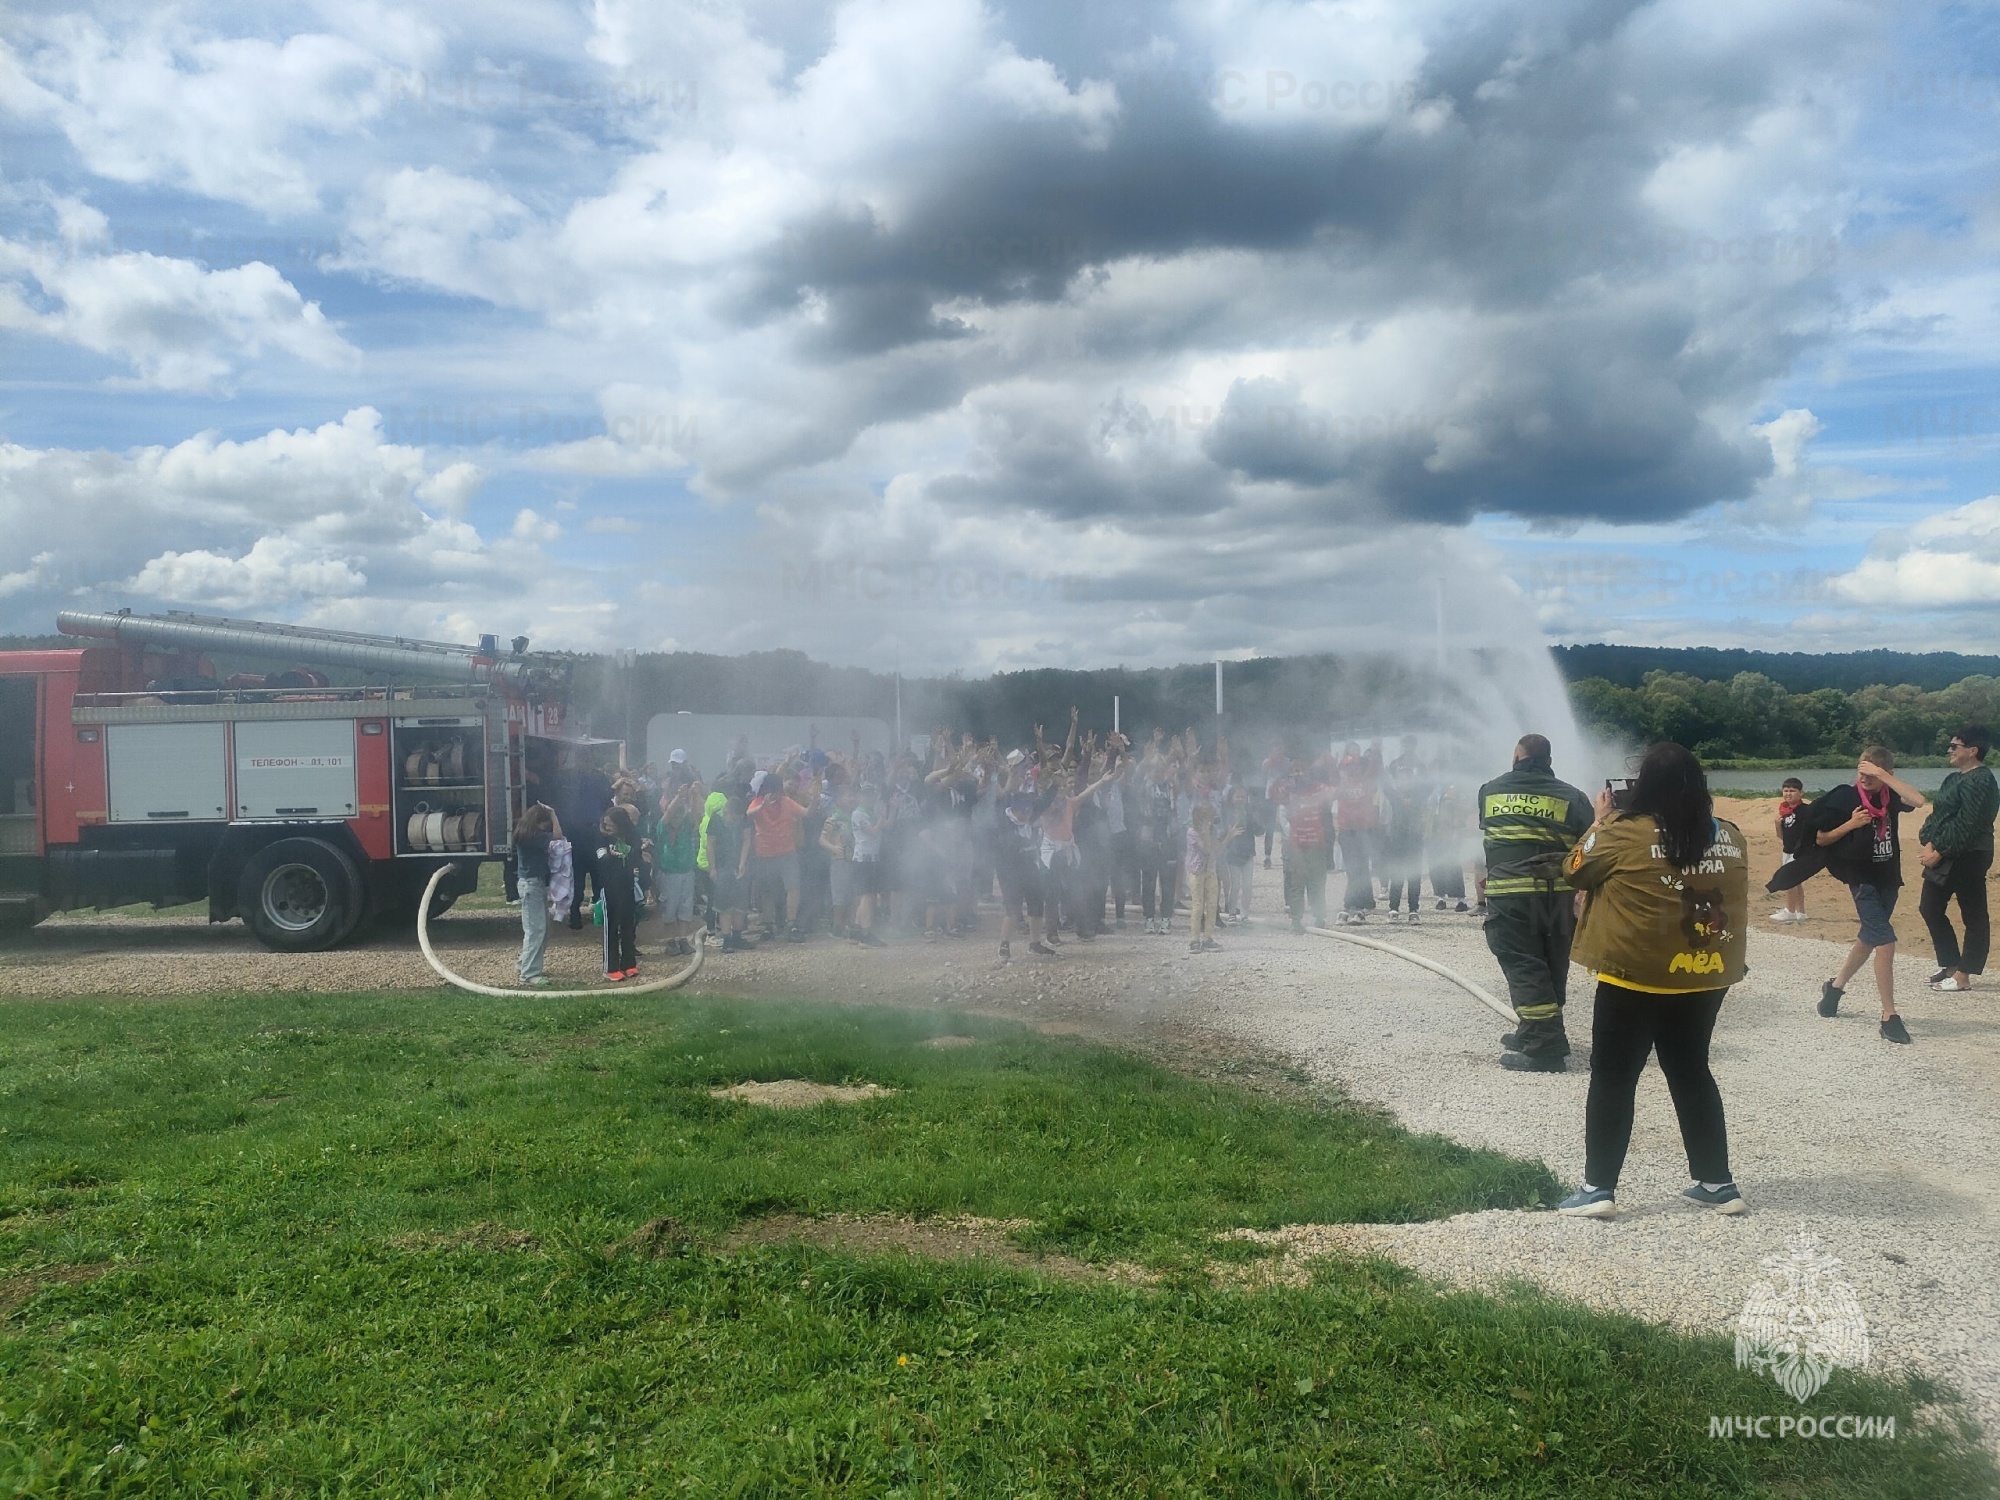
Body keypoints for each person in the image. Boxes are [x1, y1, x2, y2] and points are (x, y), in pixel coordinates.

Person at [1555, 742, 1751, 1218]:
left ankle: (1598, 1188)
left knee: (1614, 1078)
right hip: (1704, 976)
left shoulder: (1624, 831)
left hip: (1634, 976)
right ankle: (1717, 1183)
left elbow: (1573, 870)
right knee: (1691, 1072)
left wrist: (1600, 821)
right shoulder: (1730, 835)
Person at [1779, 746, 1928, 1043]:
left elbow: (1919, 800)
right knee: (1885, 942)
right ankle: (1889, 1016)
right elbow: (1819, 838)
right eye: (1861, 772)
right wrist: (1851, 824)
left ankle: (1834, 988)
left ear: (1886, 774)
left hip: (1888, 877)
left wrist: (1883, 776)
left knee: (1870, 937)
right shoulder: (1844, 797)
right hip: (1861, 879)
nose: (1865, 778)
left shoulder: (1889, 796)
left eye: (1871, 774)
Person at [1480, 733, 1594, 1072]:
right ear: (1549, 760)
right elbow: (1587, 844)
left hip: (1511, 896)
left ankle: (1544, 1048)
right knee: (1552, 960)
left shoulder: (1490, 791)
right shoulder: (1573, 797)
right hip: (1557, 896)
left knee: (1524, 963)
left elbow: (1494, 839)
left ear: (1517, 756)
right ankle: (1536, 1029)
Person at [1918, 725, 1997, 993]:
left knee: (1973, 913)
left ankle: (1964, 975)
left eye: (1955, 746)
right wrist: (1928, 841)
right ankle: (1951, 965)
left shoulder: (1982, 780)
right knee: (1929, 906)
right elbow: (1937, 815)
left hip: (1971, 854)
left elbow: (1970, 823)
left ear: (1973, 750)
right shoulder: (1952, 779)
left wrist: (1939, 851)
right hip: (1944, 849)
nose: (1949, 750)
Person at [747, 775, 810, 941]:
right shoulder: (758, 801)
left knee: (793, 888)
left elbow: (805, 813)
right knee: (767, 891)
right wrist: (763, 806)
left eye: (778, 791)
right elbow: (748, 815)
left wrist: (814, 804)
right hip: (765, 853)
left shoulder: (786, 801)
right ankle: (768, 926)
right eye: (773, 791)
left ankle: (791, 925)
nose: (776, 795)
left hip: (787, 851)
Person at [1281, 759, 1333, 933]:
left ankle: (1320, 917)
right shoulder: (1287, 790)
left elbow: (1334, 793)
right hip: (1297, 844)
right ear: (1290, 773)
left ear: (1308, 771)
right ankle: (1296, 920)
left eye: (1301, 770)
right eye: (1295, 770)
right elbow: (1282, 812)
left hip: (1316, 842)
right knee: (1297, 881)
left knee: (1317, 881)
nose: (1298, 774)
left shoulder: (1319, 788)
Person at [513, 803, 561, 987]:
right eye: (546, 824)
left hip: (534, 884)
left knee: (541, 929)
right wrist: (553, 814)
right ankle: (529, 974)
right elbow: (558, 836)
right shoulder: (532, 836)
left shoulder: (526, 833)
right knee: (535, 930)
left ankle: (525, 964)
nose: (547, 828)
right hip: (532, 885)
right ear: (539, 822)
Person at [1334, 740, 1382, 921]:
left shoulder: (1366, 781)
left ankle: (1353, 906)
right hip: (1347, 831)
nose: (1351, 768)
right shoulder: (1341, 783)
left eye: (1354, 765)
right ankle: (1358, 905)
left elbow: (1375, 769)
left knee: (1360, 868)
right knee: (1353, 869)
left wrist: (1376, 754)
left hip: (1363, 831)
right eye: (1348, 766)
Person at [654, 784, 701, 958]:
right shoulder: (663, 828)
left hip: (687, 872)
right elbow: (666, 817)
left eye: (679, 814)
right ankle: (670, 940)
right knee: (669, 908)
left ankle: (682, 939)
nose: (676, 818)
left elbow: (695, 814)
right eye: (674, 814)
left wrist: (694, 795)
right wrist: (679, 796)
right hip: (669, 874)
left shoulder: (686, 827)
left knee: (685, 907)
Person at [595, 805, 641, 981]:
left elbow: (636, 853)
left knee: (628, 926)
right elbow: (600, 856)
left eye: (611, 824)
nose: (607, 827)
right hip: (609, 887)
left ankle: (629, 963)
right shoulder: (600, 836)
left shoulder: (631, 835)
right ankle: (610, 967)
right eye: (606, 823)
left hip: (627, 885)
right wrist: (610, 854)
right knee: (611, 927)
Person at [1768, 777, 1808, 923]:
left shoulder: (1805, 811)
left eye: (1792, 791)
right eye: (1786, 791)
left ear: (1801, 793)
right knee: (1796, 881)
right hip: (1787, 849)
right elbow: (1782, 837)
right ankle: (1800, 912)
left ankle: (1790, 911)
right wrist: (1777, 824)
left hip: (1799, 851)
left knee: (1789, 880)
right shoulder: (1784, 811)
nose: (1788, 794)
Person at [1186, 800, 1223, 952]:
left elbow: (1216, 849)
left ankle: (1208, 937)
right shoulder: (1192, 832)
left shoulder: (1213, 831)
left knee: (1212, 904)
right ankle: (1194, 939)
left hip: (1210, 870)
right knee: (1198, 905)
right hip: (1196, 872)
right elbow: (1206, 849)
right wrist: (1206, 832)